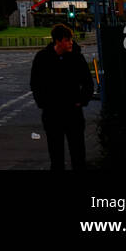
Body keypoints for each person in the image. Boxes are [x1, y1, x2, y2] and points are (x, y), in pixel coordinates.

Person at [30, 22, 94, 171]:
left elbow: (88, 82)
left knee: (78, 154)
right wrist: (43, 103)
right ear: (57, 41)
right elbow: (35, 83)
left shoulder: (76, 57)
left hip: (73, 112)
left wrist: (81, 101)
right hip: (52, 114)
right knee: (56, 155)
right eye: (67, 40)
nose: (71, 43)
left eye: (71, 39)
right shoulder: (42, 58)